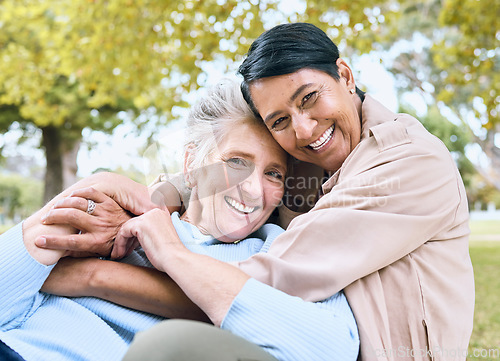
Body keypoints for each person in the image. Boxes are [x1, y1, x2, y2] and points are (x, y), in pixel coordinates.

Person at [34, 23, 474, 360]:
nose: (303, 129)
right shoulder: (309, 160)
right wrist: (152, 198)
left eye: (308, 98)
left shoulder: (409, 164)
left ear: (345, 75)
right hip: (287, 344)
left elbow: (261, 285)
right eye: (279, 120)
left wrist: (88, 276)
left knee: (171, 346)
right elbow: (232, 174)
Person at [0, 79, 359, 361]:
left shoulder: (285, 249)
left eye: (274, 175)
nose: (252, 189)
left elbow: (333, 350)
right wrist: (92, 190)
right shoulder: (113, 221)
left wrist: (174, 256)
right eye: (235, 162)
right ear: (191, 166)